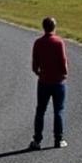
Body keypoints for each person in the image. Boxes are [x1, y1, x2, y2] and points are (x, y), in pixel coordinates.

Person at [28, 16, 68, 150]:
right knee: (59, 110)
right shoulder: (58, 42)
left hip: (44, 81)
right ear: (54, 27)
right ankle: (59, 139)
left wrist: (39, 73)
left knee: (40, 111)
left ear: (43, 27)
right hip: (58, 82)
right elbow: (63, 62)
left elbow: (34, 65)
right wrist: (64, 73)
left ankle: (37, 140)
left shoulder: (38, 43)